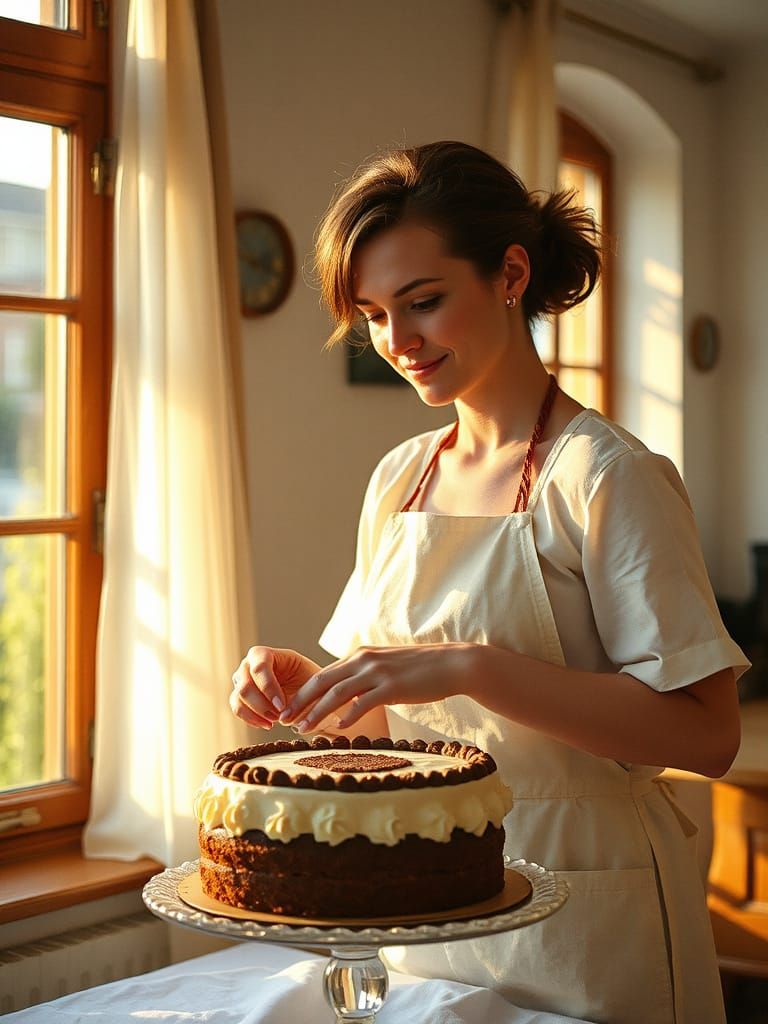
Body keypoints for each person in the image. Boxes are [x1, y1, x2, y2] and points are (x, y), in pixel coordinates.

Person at [230, 141, 749, 1024]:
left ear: (511, 274)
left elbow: (707, 736)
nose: (399, 342)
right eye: (373, 316)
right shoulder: (399, 478)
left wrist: (473, 667)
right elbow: (391, 731)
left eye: (423, 303)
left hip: (587, 904)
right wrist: (311, 692)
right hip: (429, 901)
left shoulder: (606, 475)